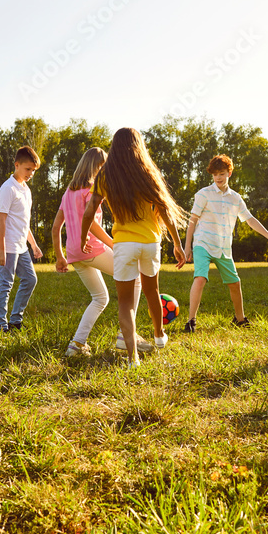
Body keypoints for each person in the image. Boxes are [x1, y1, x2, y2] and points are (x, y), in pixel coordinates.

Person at [80, 127, 187, 366]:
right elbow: (166, 213)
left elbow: (90, 210)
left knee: (126, 303)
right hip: (150, 242)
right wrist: (177, 244)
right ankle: (159, 337)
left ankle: (132, 358)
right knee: (151, 292)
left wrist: (83, 237)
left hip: (124, 245)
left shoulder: (106, 175)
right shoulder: (148, 172)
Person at [51, 148, 151, 356]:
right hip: (92, 249)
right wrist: (114, 244)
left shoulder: (68, 192)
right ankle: (126, 336)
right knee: (137, 277)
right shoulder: (92, 189)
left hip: (75, 254)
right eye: (105, 167)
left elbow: (55, 227)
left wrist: (60, 256)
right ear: (98, 167)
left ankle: (77, 345)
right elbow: (93, 225)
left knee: (100, 298)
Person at [181, 154, 268, 332]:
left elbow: (250, 220)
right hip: (203, 242)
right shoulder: (203, 194)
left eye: (222, 173)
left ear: (229, 173)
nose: (218, 177)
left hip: (223, 247)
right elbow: (193, 221)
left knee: (235, 283)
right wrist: (187, 247)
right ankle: (191, 320)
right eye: (215, 174)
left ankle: (240, 319)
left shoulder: (236, 198)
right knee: (201, 278)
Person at [0, 145, 43, 334]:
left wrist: (33, 244)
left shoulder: (25, 189)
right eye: (28, 169)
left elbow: (23, 221)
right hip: (9, 245)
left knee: (30, 279)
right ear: (17, 165)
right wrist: (1, 248)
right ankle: (0, 327)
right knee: (5, 284)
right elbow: (0, 219)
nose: (31, 173)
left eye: (33, 170)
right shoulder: (8, 188)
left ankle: (15, 321)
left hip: (21, 246)